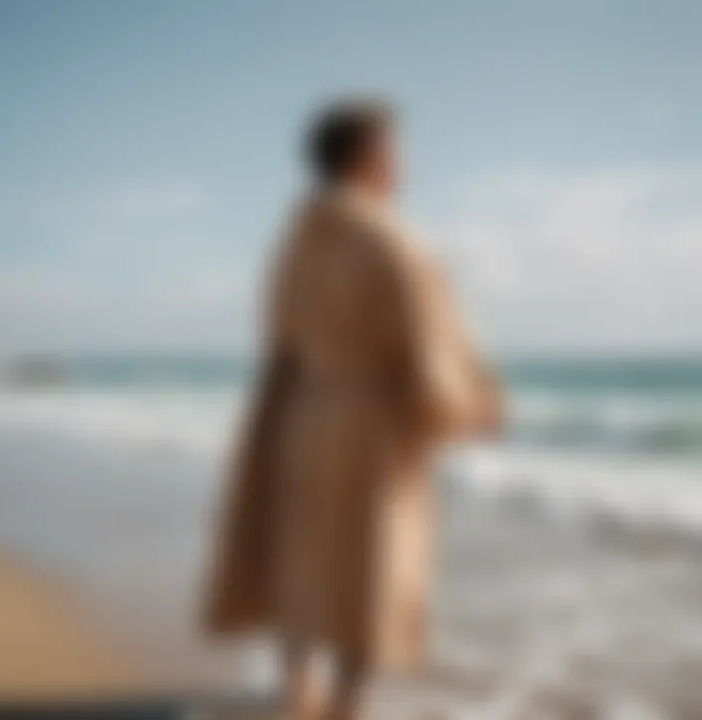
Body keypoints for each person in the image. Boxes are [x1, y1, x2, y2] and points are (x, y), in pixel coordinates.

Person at [202, 98, 504, 720]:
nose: (402, 164)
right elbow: (427, 340)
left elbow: (278, 335)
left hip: (301, 414)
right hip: (370, 418)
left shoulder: (296, 240)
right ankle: (346, 704)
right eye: (396, 149)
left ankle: (296, 691)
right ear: (371, 156)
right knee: (372, 566)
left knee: (303, 558)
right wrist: (469, 405)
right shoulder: (389, 236)